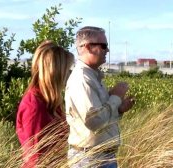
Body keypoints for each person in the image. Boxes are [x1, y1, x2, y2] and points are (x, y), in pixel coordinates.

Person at [65, 26, 135, 168]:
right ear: (88, 47)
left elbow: (102, 115)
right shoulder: (82, 79)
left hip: (99, 156)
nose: (107, 50)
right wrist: (115, 97)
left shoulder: (93, 76)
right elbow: (94, 121)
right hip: (90, 158)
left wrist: (119, 109)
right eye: (103, 46)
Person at [16, 40, 74, 167]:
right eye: (68, 70)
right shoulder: (35, 105)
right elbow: (37, 158)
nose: (70, 74)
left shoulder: (50, 101)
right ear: (55, 72)